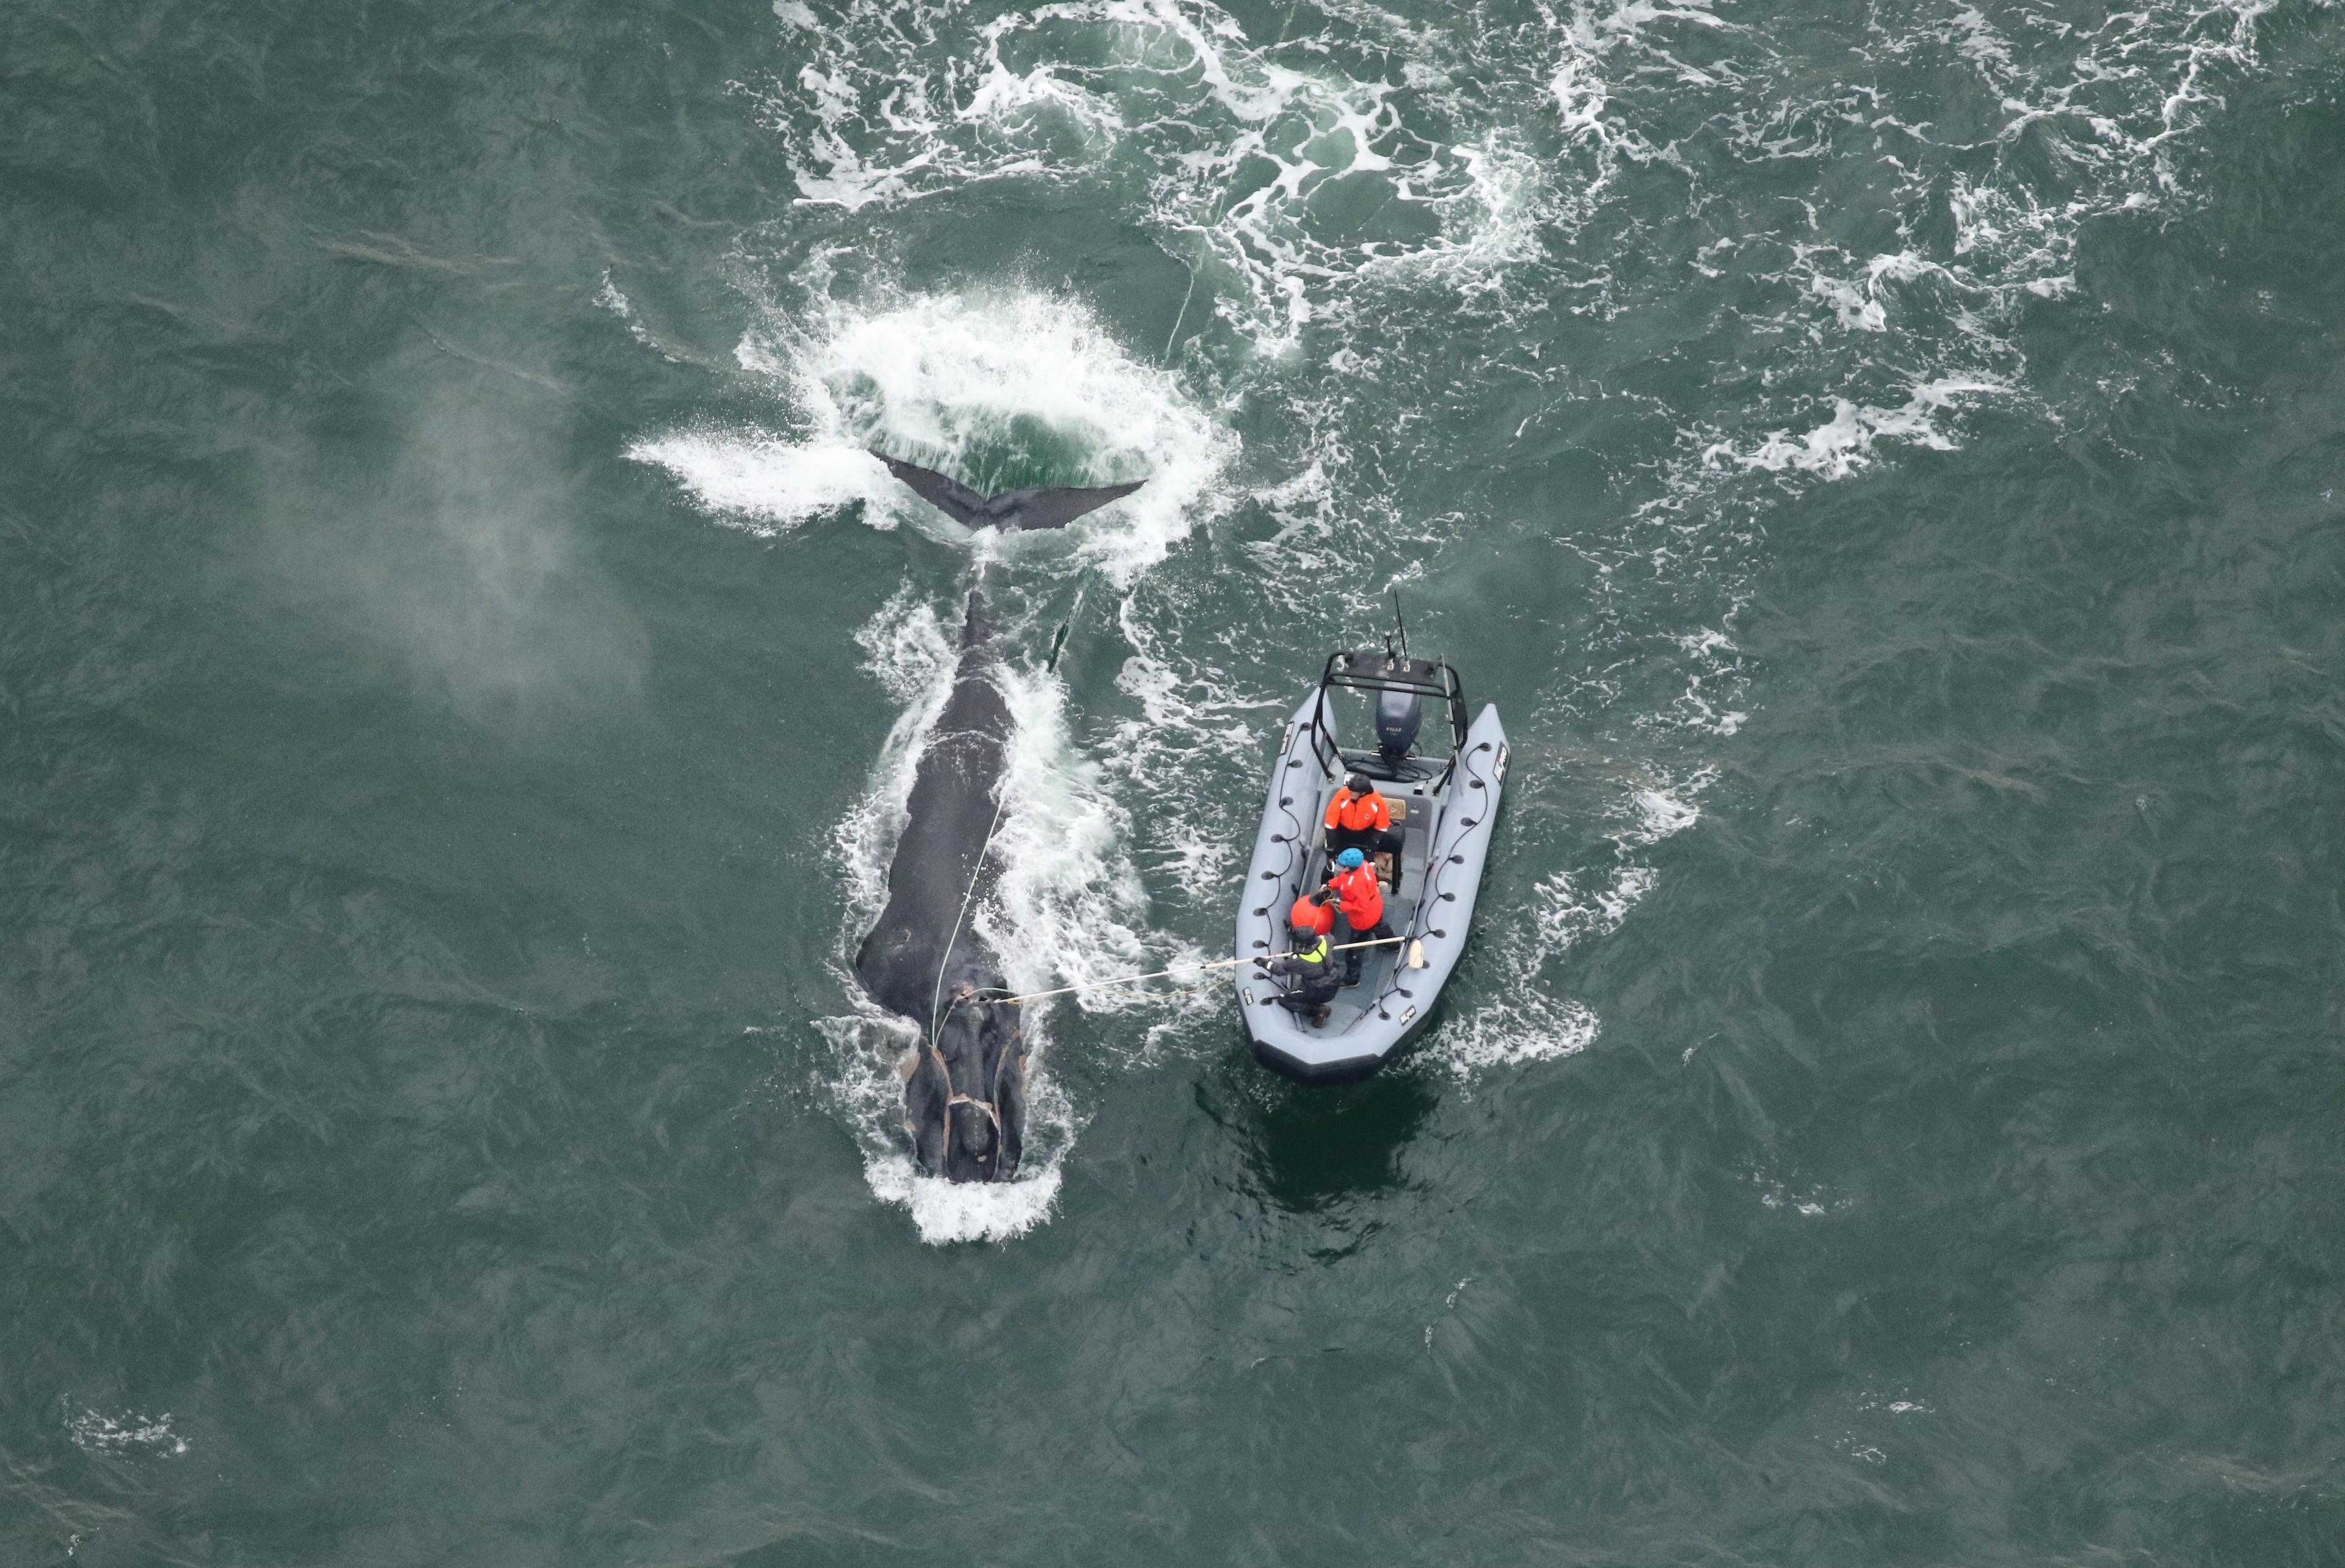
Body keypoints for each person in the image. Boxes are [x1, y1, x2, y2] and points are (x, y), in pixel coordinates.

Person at [1325, 846, 1394, 987]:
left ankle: (1353, 978)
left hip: (1363, 919)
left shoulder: (1356, 884)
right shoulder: (1364, 866)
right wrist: (1330, 885)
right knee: (1380, 925)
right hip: (1375, 906)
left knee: (1355, 950)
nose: (1341, 867)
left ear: (1349, 867)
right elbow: (1343, 880)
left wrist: (1343, 905)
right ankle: (1391, 944)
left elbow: (1361, 906)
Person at [1324, 773, 1404, 888]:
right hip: (1343, 832)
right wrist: (1331, 845)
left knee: (1367, 863)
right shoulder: (1342, 795)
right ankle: (1330, 882)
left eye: (1353, 791)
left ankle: (1368, 884)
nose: (1349, 792)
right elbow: (1331, 820)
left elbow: (1382, 823)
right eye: (1349, 789)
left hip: (1366, 834)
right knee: (1335, 860)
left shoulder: (1376, 800)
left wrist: (1374, 841)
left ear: (1362, 793)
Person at [1257, 917, 1339, 1026]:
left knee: (1284, 999)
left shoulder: (1300, 961)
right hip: (1334, 982)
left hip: (1318, 991)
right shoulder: (1326, 940)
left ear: (1303, 944)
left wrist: (1263, 963)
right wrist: (1292, 931)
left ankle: (1318, 1011)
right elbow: (1332, 940)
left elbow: (1279, 970)